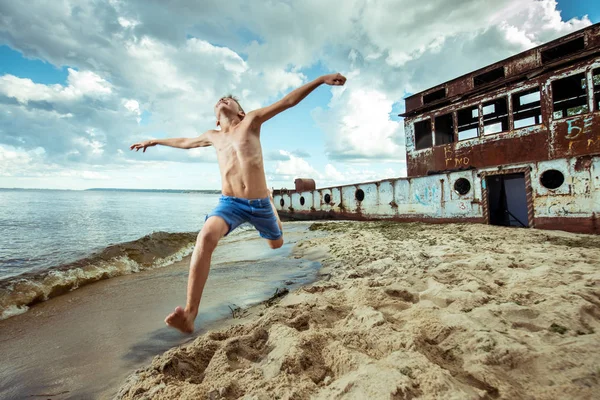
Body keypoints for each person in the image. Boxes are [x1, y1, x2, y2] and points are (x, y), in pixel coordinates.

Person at [130, 73, 347, 333]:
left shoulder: (251, 122)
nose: (224, 99)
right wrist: (154, 140)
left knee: (276, 244)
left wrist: (321, 80)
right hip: (229, 204)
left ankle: (272, 206)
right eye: (220, 100)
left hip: (259, 204)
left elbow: (287, 101)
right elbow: (186, 143)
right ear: (216, 116)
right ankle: (190, 312)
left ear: (241, 113)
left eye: (231, 100)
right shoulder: (213, 135)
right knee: (205, 237)